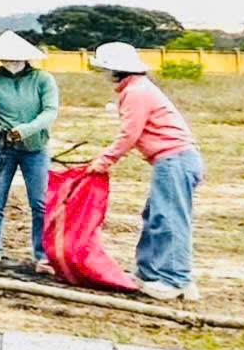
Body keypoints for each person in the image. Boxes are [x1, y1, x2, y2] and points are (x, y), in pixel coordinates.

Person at [87, 43, 205, 300]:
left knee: (170, 219)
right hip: (171, 161)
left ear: (114, 68)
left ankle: (176, 280)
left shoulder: (136, 92)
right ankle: (149, 272)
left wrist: (105, 160)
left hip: (175, 159)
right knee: (155, 216)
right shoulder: (135, 89)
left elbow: (130, 133)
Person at [0, 30, 60, 269]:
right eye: (5, 57)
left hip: (35, 148)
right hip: (2, 147)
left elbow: (50, 111)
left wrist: (26, 129)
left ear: (25, 57)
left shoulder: (43, 79)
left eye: (14, 57)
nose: (9, 61)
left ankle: (43, 255)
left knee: (39, 203)